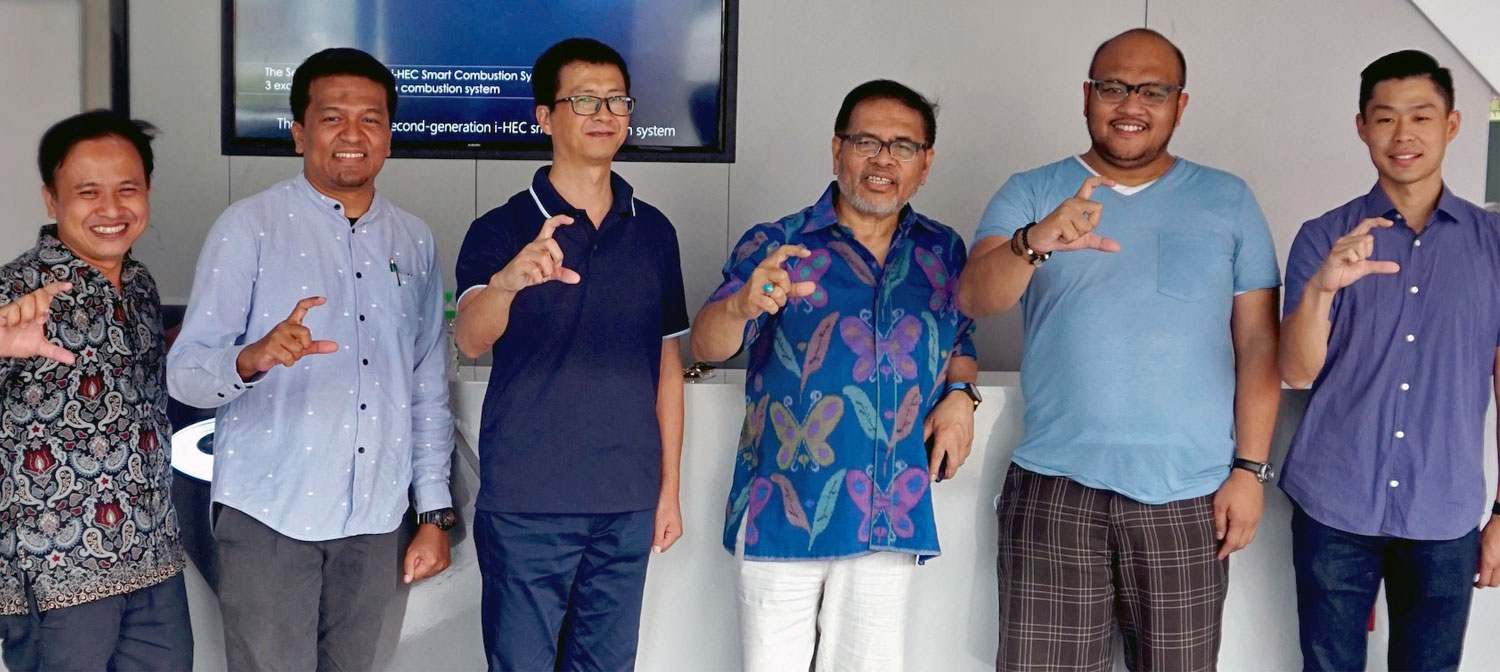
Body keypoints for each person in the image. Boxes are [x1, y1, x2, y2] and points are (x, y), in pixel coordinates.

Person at [957, 28, 1282, 672]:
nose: (1131, 104)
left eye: (1152, 91)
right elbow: (974, 297)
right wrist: (1035, 240)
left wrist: (1249, 471)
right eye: (1113, 87)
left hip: (1189, 497)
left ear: (1180, 105)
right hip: (1055, 489)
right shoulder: (1032, 190)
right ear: (1087, 96)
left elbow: (1257, 344)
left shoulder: (1230, 200)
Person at [167, 48, 455, 672]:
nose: (353, 134)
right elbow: (185, 371)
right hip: (270, 514)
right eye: (332, 118)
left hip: (376, 517)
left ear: (390, 135)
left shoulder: (414, 240)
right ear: (299, 132)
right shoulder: (248, 227)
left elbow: (427, 386)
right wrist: (251, 358)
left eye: (371, 119)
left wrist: (433, 512)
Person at [691, 79, 979, 672]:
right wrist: (742, 305)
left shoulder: (944, 251)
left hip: (887, 514)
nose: (883, 159)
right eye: (866, 142)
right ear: (836, 149)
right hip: (781, 509)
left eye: (903, 146)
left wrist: (960, 394)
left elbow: (960, 340)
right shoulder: (778, 242)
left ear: (925, 164)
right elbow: (706, 344)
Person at [454, 37, 688, 672]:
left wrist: (668, 490)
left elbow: (666, 368)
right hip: (528, 501)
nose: (603, 113)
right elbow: (470, 338)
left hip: (626, 500)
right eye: (584, 100)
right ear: (545, 117)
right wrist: (506, 283)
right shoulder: (502, 228)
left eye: (616, 100)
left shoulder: (654, 231)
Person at [1278, 50, 1500, 671]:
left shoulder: (1493, 246)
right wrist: (1322, 289)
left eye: (1421, 117)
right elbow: (1296, 371)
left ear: (1451, 125)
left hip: (1444, 507)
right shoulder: (1324, 236)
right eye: (1385, 118)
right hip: (1334, 501)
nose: (1403, 135)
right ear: (1362, 127)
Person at [0, 111, 192, 671]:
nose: (111, 209)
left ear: (147, 192)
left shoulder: (140, 282)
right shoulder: (15, 288)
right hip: (57, 569)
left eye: (126, 189)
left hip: (153, 558)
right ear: (51, 200)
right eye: (88, 192)